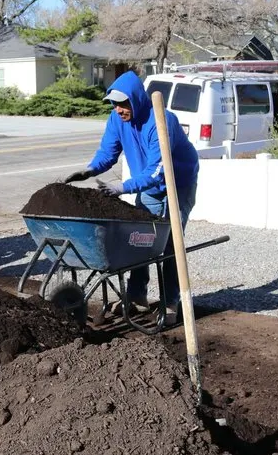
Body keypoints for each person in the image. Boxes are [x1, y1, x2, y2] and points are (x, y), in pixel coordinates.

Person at [62, 70, 199, 326]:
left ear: (135, 99)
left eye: (123, 104)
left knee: (169, 246)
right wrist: (90, 170)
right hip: (146, 183)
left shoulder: (161, 121)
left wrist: (121, 187)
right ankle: (137, 296)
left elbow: (159, 171)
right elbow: (108, 151)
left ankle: (170, 302)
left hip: (176, 184)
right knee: (140, 240)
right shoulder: (116, 120)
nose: (118, 109)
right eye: (114, 104)